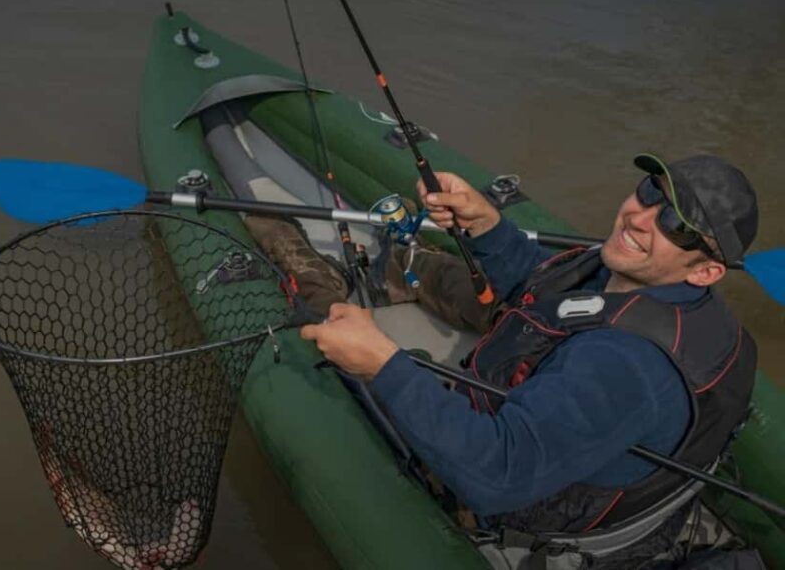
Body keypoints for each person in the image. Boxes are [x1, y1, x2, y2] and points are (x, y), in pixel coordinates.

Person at [300, 153, 759, 569]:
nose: (639, 218)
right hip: (590, 459)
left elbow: (497, 473)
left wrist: (382, 363)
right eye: (650, 192)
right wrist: (487, 226)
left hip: (526, 501)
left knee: (342, 363)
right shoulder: (640, 283)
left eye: (676, 225)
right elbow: (548, 296)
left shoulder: (626, 366)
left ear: (706, 271)